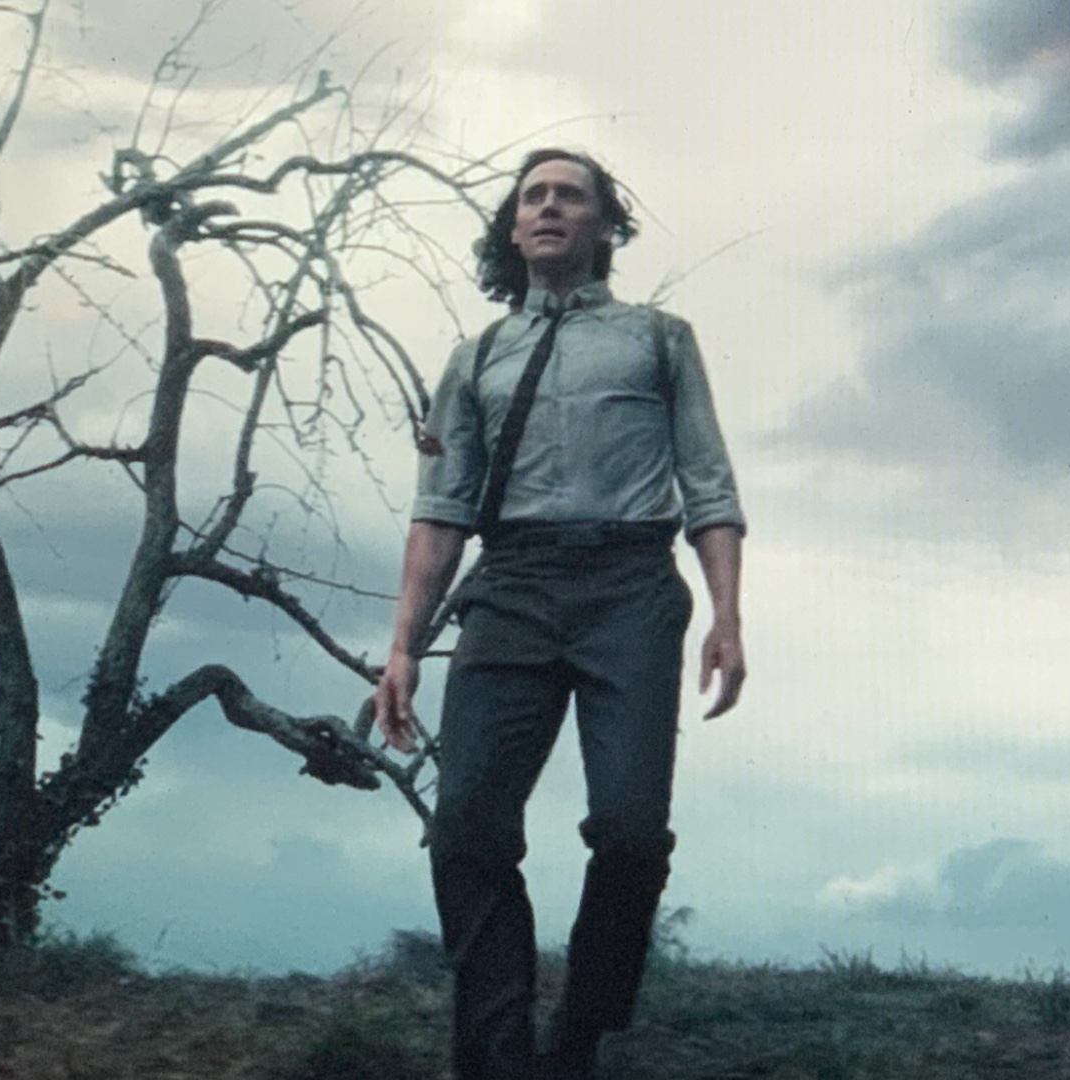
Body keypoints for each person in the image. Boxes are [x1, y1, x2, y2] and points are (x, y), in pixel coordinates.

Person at [371, 148, 747, 1080]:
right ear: (513, 227)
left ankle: (582, 1035)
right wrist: (402, 648)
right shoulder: (475, 358)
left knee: (630, 831)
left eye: (569, 196)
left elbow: (708, 484)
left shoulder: (659, 339)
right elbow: (439, 511)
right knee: (466, 828)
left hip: (630, 585)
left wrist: (727, 617)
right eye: (532, 196)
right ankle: (498, 1057)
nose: (547, 207)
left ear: (604, 226)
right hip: (512, 587)